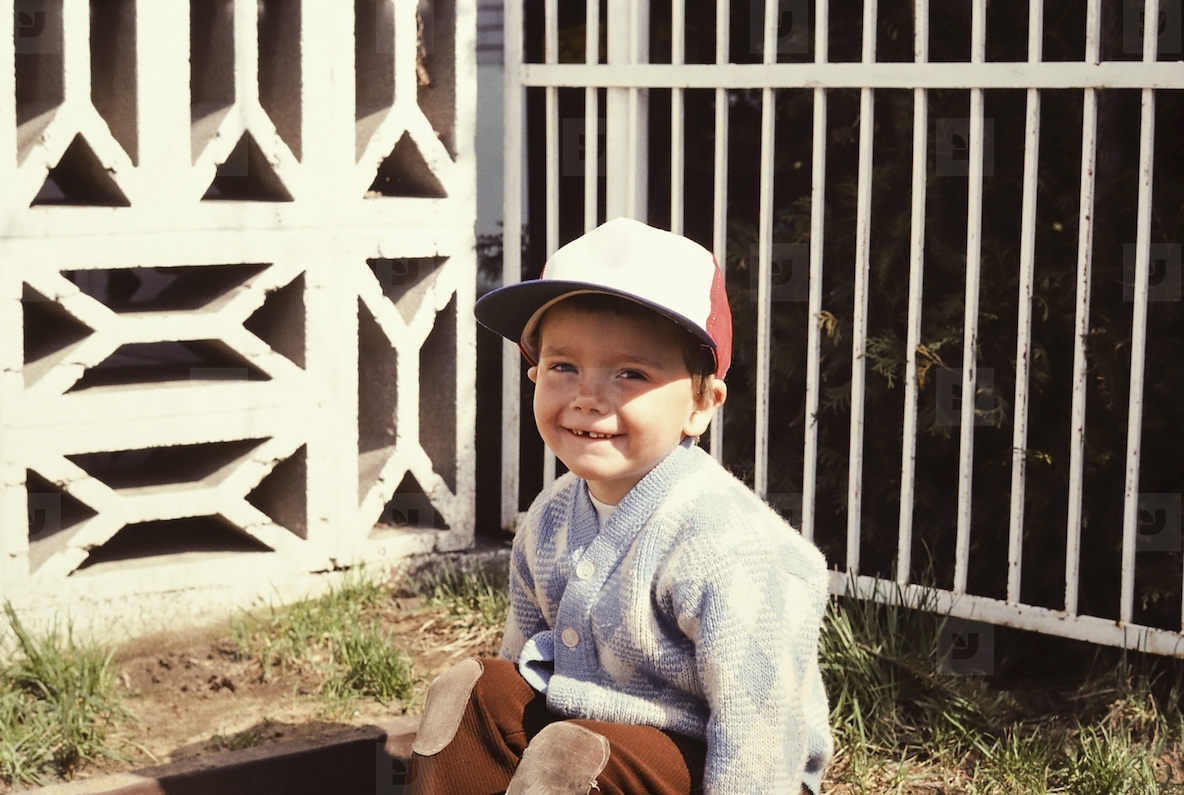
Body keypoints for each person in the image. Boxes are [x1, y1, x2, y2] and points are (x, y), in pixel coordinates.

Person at [406, 217, 833, 795]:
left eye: (631, 374)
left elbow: (758, 729)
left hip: (725, 765)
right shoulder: (550, 518)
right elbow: (521, 667)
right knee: (475, 690)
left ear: (701, 405)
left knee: (571, 753)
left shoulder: (725, 545)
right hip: (581, 738)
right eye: (564, 367)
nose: (588, 397)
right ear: (534, 374)